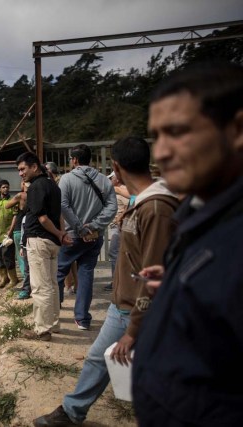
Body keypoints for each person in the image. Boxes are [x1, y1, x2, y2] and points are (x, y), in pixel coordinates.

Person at [33, 137, 179, 426]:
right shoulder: (142, 202)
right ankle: (73, 410)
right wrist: (95, 228)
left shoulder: (156, 208)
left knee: (138, 371)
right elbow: (111, 208)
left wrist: (135, 327)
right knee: (100, 360)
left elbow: (153, 274)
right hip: (123, 303)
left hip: (137, 310)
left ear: (116, 166)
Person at [132, 62, 243, 426]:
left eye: (177, 132)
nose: (161, 153)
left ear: (237, 129)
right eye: (156, 136)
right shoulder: (204, 215)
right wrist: (183, 277)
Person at [57, 144, 118, 330]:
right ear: (89, 159)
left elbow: (63, 205)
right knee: (86, 274)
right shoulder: (103, 180)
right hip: (94, 236)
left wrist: (79, 227)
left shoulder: (66, 179)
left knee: (59, 272)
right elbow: (112, 207)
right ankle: (82, 319)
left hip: (72, 236)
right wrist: (94, 226)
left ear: (74, 160)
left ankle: (53, 308)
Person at [16, 152, 72, 341]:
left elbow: (42, 218)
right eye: (19, 170)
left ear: (34, 167)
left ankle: (42, 330)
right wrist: (61, 234)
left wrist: (59, 233)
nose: (20, 173)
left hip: (40, 241)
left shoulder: (37, 187)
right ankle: (53, 324)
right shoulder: (53, 186)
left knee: (40, 287)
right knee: (53, 285)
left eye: (23, 169)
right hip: (51, 243)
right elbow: (59, 216)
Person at [103, 172, 130, 291]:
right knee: (115, 253)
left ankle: (117, 282)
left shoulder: (123, 190)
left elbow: (129, 205)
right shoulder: (117, 189)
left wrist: (120, 218)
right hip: (117, 226)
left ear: (118, 178)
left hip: (120, 226)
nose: (110, 179)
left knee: (114, 253)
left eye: (111, 177)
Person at [5, 180, 32, 299]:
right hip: (31, 229)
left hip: (19, 229)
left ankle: (26, 285)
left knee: (21, 259)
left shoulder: (21, 195)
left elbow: (7, 205)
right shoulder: (36, 195)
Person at [0, 180, 18, 288]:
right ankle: (4, 278)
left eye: (7, 187)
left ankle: (13, 279)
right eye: (3, 187)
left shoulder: (12, 201)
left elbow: (15, 216)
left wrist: (10, 231)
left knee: (8, 257)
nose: (6, 189)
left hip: (7, 236)